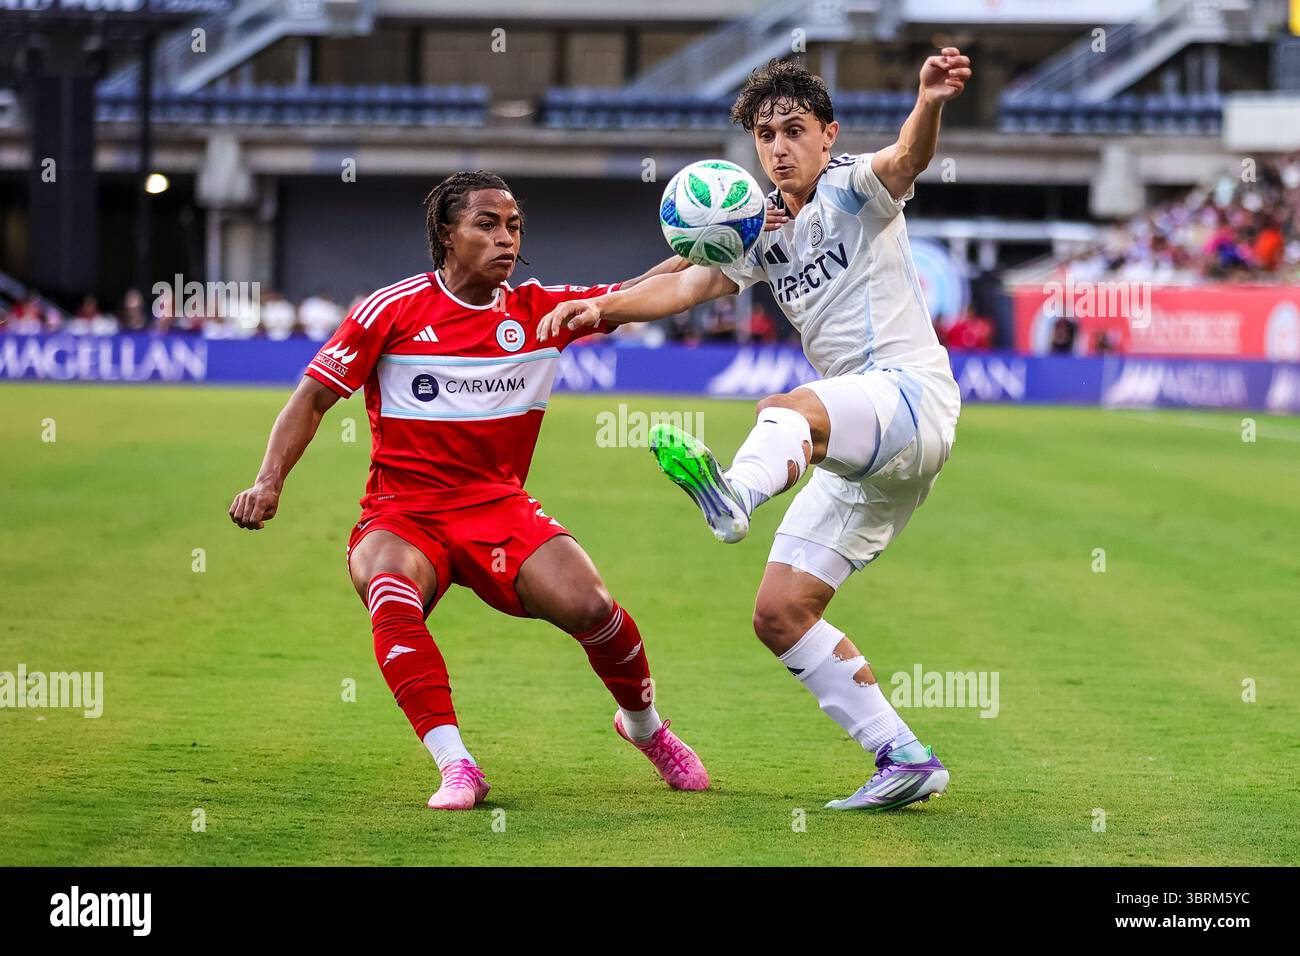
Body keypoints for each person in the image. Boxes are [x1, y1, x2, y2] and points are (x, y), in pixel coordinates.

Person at [229, 171, 788, 810]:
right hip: (403, 514)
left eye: (514, 226)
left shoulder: (538, 311)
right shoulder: (390, 310)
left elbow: (643, 290)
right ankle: (456, 765)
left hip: (499, 509)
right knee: (390, 593)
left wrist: (727, 241)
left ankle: (645, 728)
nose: (506, 238)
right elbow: (313, 398)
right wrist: (267, 482)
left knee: (593, 609)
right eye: (487, 224)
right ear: (446, 235)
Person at [538, 52, 972, 811]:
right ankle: (902, 756)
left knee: (789, 406)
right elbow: (685, 281)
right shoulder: (757, 229)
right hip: (864, 449)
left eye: (794, 130)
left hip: (909, 397)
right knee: (779, 613)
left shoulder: (855, 189)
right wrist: (599, 309)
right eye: (766, 134)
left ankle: (734, 493)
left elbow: (909, 156)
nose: (778, 146)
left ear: (828, 135)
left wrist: (929, 100)